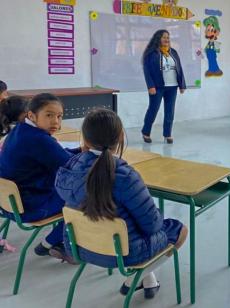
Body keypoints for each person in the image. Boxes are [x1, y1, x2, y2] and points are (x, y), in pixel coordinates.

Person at [56, 109, 188, 299]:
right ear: (120, 137)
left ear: (84, 139)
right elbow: (153, 225)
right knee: (178, 229)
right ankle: (135, 278)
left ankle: (148, 280)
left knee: (128, 223)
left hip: (79, 246)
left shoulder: (70, 167)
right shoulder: (125, 176)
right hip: (124, 253)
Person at [0, 93, 80, 262]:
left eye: (59, 116)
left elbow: (59, 156)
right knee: (87, 198)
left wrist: (81, 150)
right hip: (31, 208)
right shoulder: (38, 139)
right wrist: (89, 152)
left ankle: (54, 242)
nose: (56, 122)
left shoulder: (20, 130)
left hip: (8, 205)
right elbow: (73, 166)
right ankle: (50, 243)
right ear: (31, 115)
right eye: (49, 115)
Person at [142, 29, 186, 144]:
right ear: (158, 39)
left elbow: (179, 69)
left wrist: (182, 85)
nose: (166, 39)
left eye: (168, 37)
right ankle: (146, 132)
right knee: (153, 109)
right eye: (164, 37)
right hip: (157, 87)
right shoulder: (151, 53)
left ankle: (167, 134)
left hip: (172, 86)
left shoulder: (173, 52)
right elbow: (147, 71)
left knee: (170, 111)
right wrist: (150, 86)